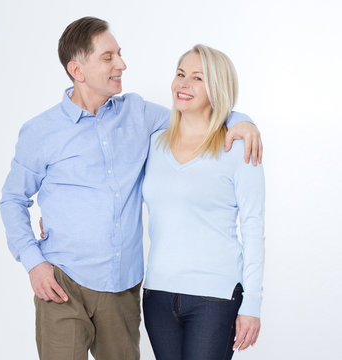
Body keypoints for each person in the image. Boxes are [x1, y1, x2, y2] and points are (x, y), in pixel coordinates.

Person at [0, 17, 262, 360]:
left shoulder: (138, 114)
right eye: (108, 58)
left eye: (119, 54)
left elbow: (198, 111)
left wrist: (243, 121)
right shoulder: (40, 131)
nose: (122, 64)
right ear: (78, 70)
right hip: (61, 281)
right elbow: (12, 199)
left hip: (123, 289)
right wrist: (34, 262)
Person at [142, 44, 265, 360]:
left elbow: (253, 229)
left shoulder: (238, 147)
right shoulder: (153, 144)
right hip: (157, 294)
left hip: (215, 297)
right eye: (180, 74)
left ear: (218, 87)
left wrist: (252, 303)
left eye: (198, 78)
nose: (183, 85)